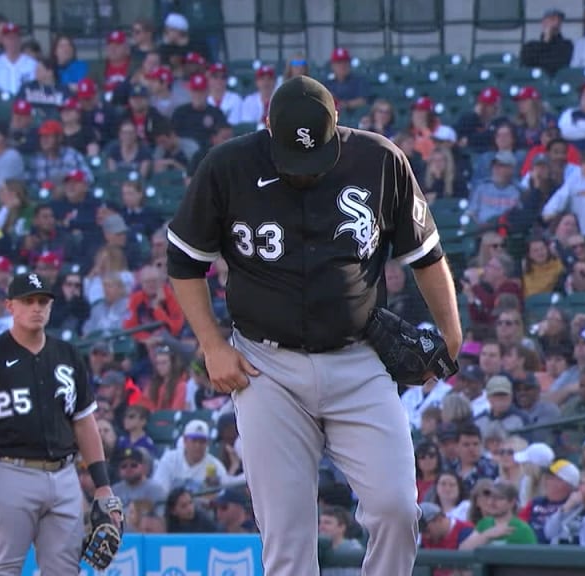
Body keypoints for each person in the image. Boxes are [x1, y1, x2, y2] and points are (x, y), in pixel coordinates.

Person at [166, 76, 461, 575]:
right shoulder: (227, 166)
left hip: (359, 358)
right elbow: (184, 262)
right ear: (267, 125)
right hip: (265, 367)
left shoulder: (380, 159)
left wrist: (451, 336)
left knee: (395, 507)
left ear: (337, 120)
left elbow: (426, 255)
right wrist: (212, 345)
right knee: (286, 533)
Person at [0, 271, 122, 575]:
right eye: (28, 301)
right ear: (10, 306)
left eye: (43, 301)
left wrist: (102, 485)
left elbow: (84, 424)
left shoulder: (67, 355)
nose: (36, 308)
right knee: (2, 568)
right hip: (8, 473)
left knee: (65, 570)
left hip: (64, 475)